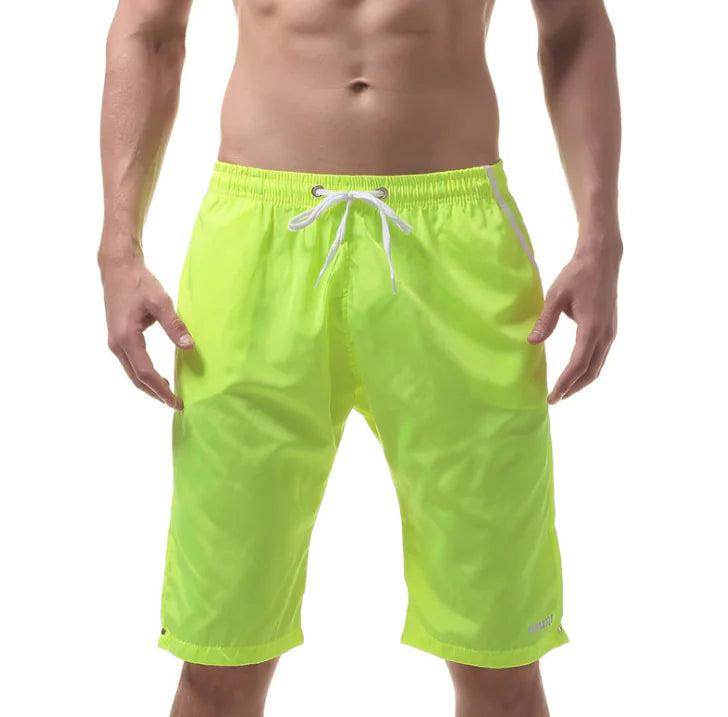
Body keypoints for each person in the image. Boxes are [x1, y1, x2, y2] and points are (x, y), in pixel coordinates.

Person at [98, 0, 622, 715]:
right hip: (256, 249)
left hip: (458, 249)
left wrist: (600, 238)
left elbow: (574, 27)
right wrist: (118, 247)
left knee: (499, 653)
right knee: (220, 653)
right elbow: (149, 29)